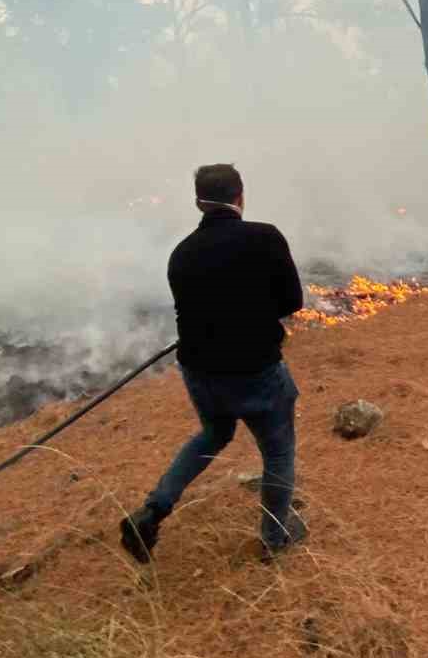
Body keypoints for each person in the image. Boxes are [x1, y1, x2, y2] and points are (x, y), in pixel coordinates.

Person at [120, 163, 308, 564]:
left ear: (198, 203)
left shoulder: (181, 254)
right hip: (256, 370)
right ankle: (275, 537)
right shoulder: (265, 237)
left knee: (213, 434)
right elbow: (292, 302)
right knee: (277, 452)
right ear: (240, 195)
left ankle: (154, 510)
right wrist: (255, 311)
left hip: (200, 371)